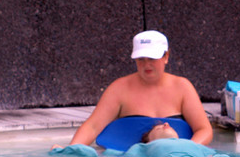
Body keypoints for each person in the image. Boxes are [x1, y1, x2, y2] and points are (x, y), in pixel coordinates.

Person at [64, 30, 213, 148]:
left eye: (152, 58)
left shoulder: (182, 87)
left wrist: (187, 150)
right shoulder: (119, 88)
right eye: (141, 59)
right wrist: (72, 149)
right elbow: (93, 126)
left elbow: (204, 130)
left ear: (166, 56)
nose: (146, 65)